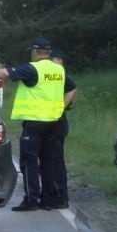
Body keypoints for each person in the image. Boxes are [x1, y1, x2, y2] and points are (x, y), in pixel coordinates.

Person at [0, 38, 66, 211]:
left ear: (35, 52)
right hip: (55, 122)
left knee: (29, 161)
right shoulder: (59, 69)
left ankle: (31, 199)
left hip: (35, 122)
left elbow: (6, 73)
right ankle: (48, 199)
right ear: (48, 52)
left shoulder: (32, 68)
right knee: (48, 161)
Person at [40, 49, 78, 209]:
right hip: (50, 121)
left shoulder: (59, 74)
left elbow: (72, 88)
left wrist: (62, 106)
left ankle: (59, 196)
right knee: (49, 159)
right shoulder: (54, 74)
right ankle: (52, 194)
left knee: (54, 159)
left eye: (56, 60)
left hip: (56, 123)